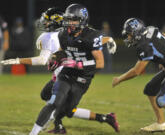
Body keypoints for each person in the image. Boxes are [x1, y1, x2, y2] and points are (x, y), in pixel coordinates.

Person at [29, 4, 118, 135]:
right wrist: (55, 58)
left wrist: (79, 64)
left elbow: (100, 64)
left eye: (73, 20)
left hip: (83, 78)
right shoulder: (63, 34)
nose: (70, 23)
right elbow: (62, 51)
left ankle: (105, 118)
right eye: (68, 19)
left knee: (69, 110)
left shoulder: (92, 36)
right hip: (66, 74)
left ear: (82, 20)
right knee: (54, 102)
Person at [112, 18, 165, 132]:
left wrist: (119, 79)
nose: (128, 38)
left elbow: (137, 71)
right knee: (150, 89)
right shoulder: (151, 29)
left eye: (129, 35)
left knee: (162, 100)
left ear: (136, 32)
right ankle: (160, 123)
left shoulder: (143, 45)